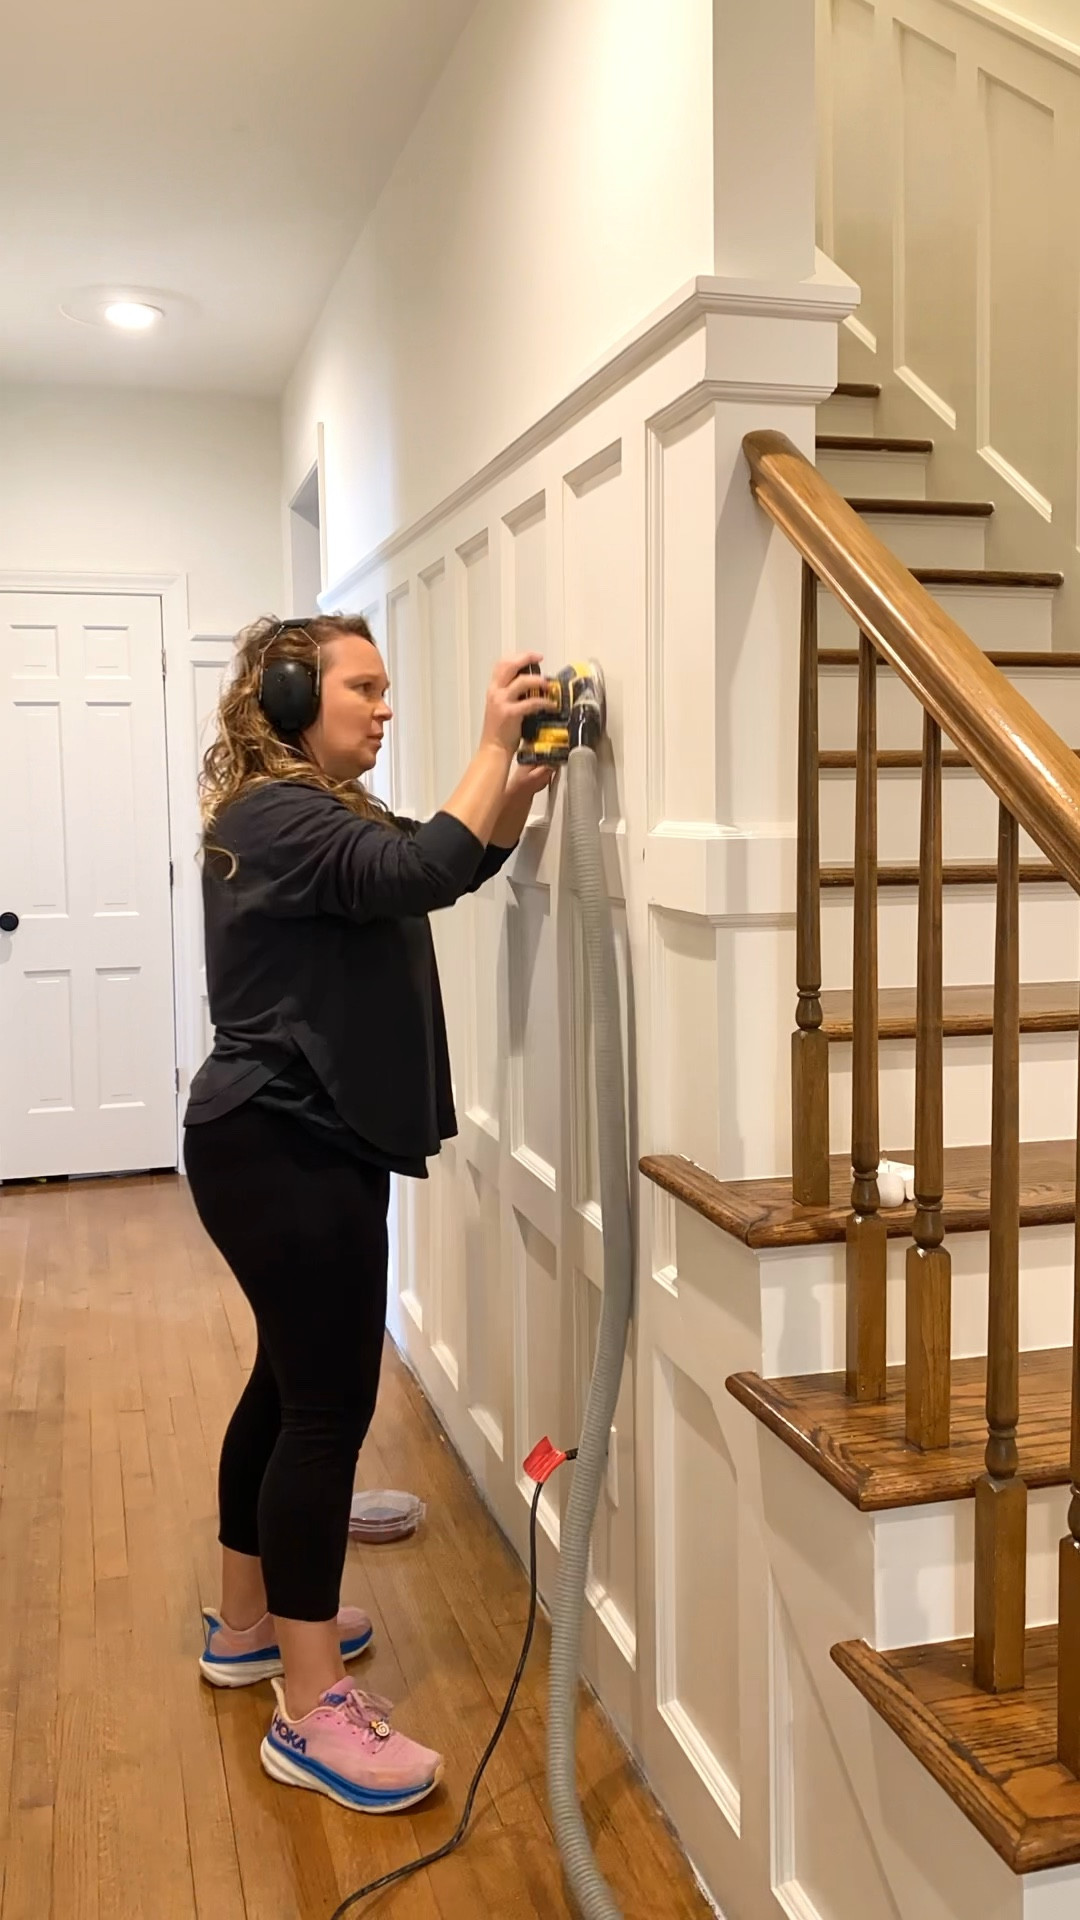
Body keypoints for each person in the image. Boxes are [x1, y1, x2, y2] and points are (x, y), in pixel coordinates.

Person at [183, 612, 555, 1814]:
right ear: (292, 692)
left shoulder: (321, 807)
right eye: (366, 687)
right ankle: (308, 1714)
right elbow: (422, 869)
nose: (385, 708)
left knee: (289, 1390)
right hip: (282, 1139)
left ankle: (248, 1626)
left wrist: (518, 783)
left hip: (289, 1135)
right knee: (328, 1409)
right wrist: (492, 743)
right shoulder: (274, 814)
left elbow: (449, 865)